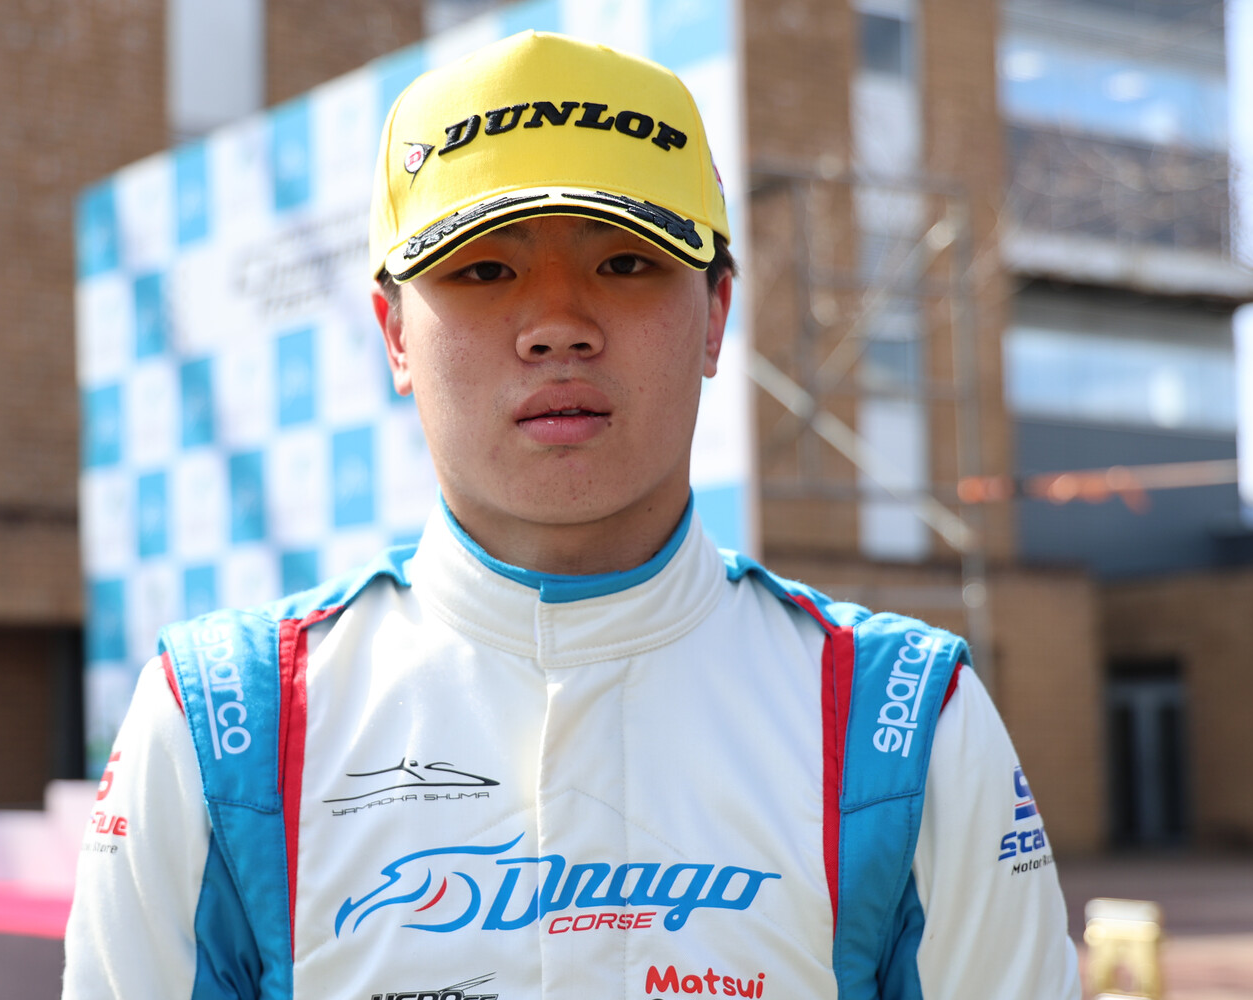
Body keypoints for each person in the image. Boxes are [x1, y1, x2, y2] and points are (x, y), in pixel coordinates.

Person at [63, 31, 1079, 1000]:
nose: (558, 325)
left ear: (716, 314)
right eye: (484, 268)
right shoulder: (219, 725)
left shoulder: (905, 721)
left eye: (626, 262)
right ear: (395, 333)